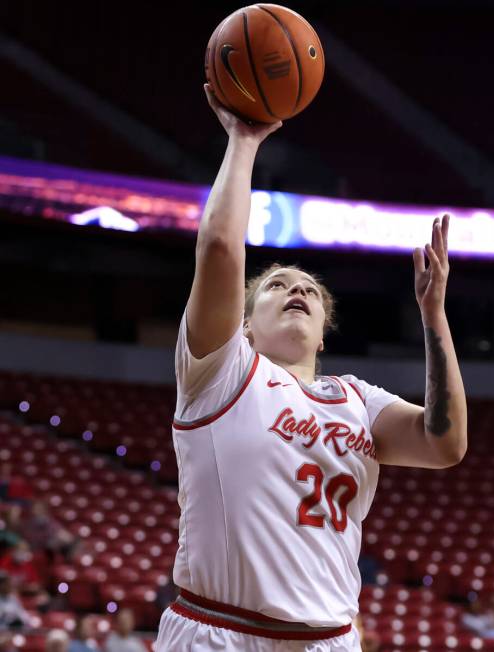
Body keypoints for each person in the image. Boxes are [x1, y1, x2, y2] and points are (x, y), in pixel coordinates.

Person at [155, 83, 467, 651]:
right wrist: (244, 140)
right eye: (276, 285)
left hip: (331, 639)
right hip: (220, 632)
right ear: (244, 325)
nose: (297, 288)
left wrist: (433, 317)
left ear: (324, 334)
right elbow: (221, 251)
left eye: (310, 291)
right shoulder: (222, 372)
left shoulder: (357, 398)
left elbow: (444, 443)